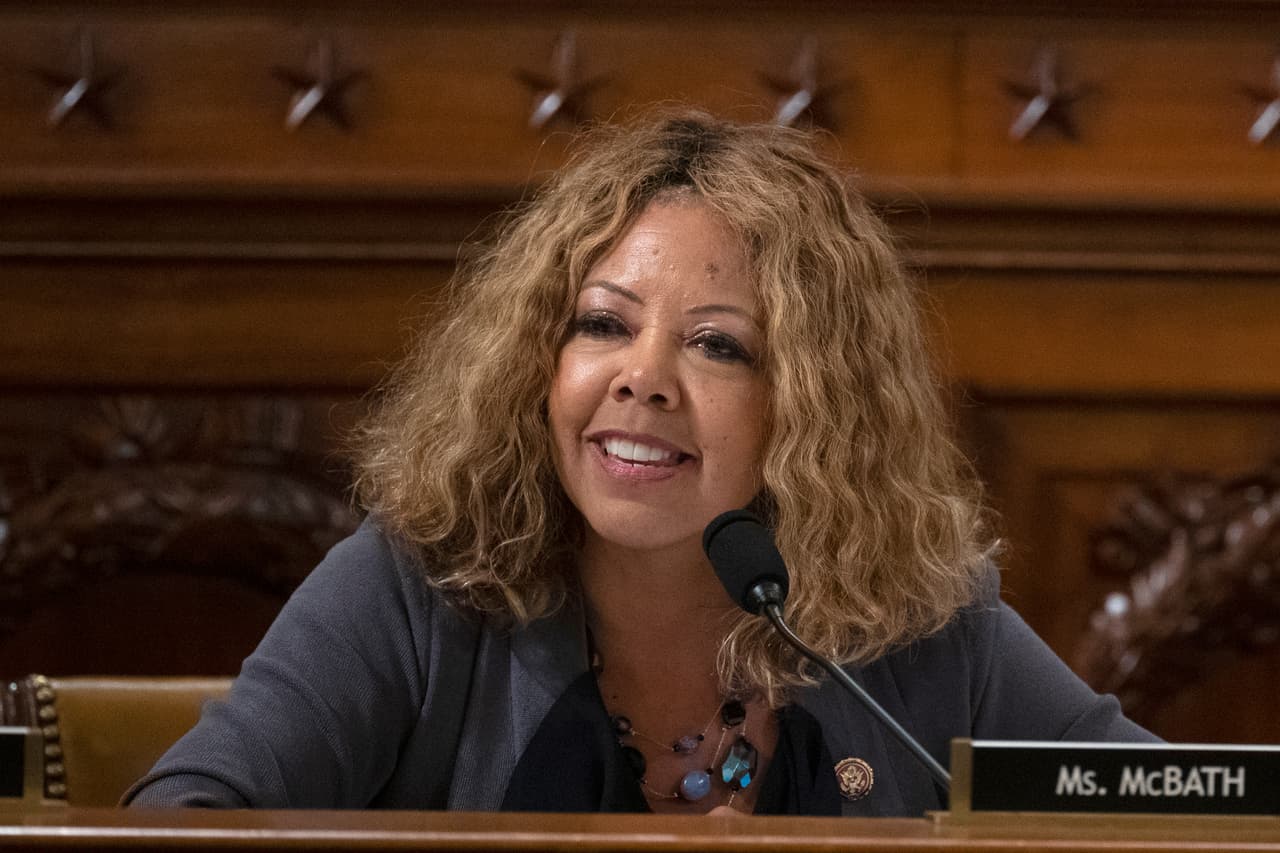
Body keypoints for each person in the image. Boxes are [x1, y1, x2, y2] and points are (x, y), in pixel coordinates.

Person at [126, 112, 1154, 816]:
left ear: (811, 405)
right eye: (602, 325)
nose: (642, 378)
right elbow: (186, 816)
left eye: (717, 344)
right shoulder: (420, 586)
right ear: (542, 360)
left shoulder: (926, 627)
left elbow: (1182, 812)